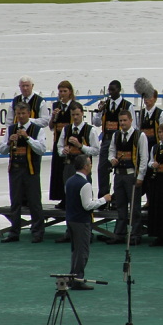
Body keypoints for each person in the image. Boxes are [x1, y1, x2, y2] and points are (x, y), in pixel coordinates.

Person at [0, 102, 47, 243]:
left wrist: (27, 138)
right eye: (18, 114)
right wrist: (8, 142)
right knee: (15, 202)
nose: (20, 116)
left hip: (30, 169)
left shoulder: (37, 130)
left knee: (34, 202)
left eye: (23, 113)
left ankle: (38, 232)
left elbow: (41, 149)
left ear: (29, 114)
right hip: (15, 170)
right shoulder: (11, 129)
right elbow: (1, 150)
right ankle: (14, 232)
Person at [65, 155, 113, 290]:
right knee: (82, 252)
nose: (91, 166)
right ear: (85, 166)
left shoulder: (69, 181)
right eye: (90, 163)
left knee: (75, 251)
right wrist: (103, 200)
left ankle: (72, 276)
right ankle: (78, 279)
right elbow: (87, 205)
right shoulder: (85, 184)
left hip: (71, 219)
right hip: (81, 221)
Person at [57, 102, 100, 242]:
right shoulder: (66, 129)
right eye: (73, 115)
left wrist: (81, 146)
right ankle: (69, 231)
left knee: (86, 199)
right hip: (69, 166)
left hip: (84, 168)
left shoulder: (90, 130)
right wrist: (63, 151)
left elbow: (96, 150)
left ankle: (89, 231)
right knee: (69, 200)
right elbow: (58, 147)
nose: (75, 117)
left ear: (82, 113)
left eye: (77, 114)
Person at [106, 109, 148, 245]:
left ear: (130, 120)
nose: (123, 123)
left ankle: (136, 234)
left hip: (132, 175)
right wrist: (112, 159)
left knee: (135, 207)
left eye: (125, 120)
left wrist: (141, 176)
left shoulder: (139, 136)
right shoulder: (116, 135)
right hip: (118, 175)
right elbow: (111, 151)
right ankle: (119, 234)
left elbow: (144, 157)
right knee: (120, 206)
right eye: (121, 121)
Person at [93, 80, 134, 200]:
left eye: (113, 90)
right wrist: (99, 111)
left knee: (120, 168)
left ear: (119, 90)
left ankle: (118, 197)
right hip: (106, 139)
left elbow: (133, 126)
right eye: (109, 90)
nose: (111, 93)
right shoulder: (105, 105)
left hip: (120, 140)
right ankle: (103, 196)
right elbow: (96, 123)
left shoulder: (127, 105)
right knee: (102, 168)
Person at [48, 80, 79, 207]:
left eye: (65, 91)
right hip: (58, 141)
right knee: (58, 170)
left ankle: (70, 197)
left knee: (69, 170)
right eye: (60, 91)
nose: (62, 94)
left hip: (70, 142)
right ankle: (61, 196)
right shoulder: (57, 106)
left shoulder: (74, 106)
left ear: (70, 92)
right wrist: (53, 117)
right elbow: (50, 126)